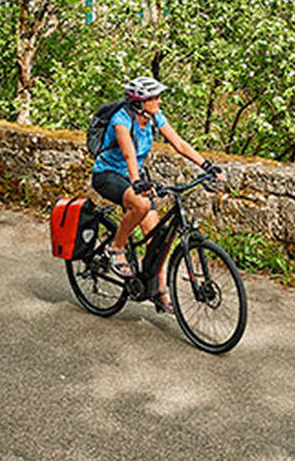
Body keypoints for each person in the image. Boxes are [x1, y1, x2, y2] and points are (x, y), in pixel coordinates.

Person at [91, 75, 220, 313]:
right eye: (155, 98)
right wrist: (138, 182)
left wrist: (206, 165)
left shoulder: (153, 117)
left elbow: (179, 143)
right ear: (141, 102)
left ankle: (159, 291)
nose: (159, 101)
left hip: (133, 177)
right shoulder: (121, 120)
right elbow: (129, 154)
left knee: (156, 239)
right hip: (108, 175)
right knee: (140, 205)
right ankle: (116, 248)